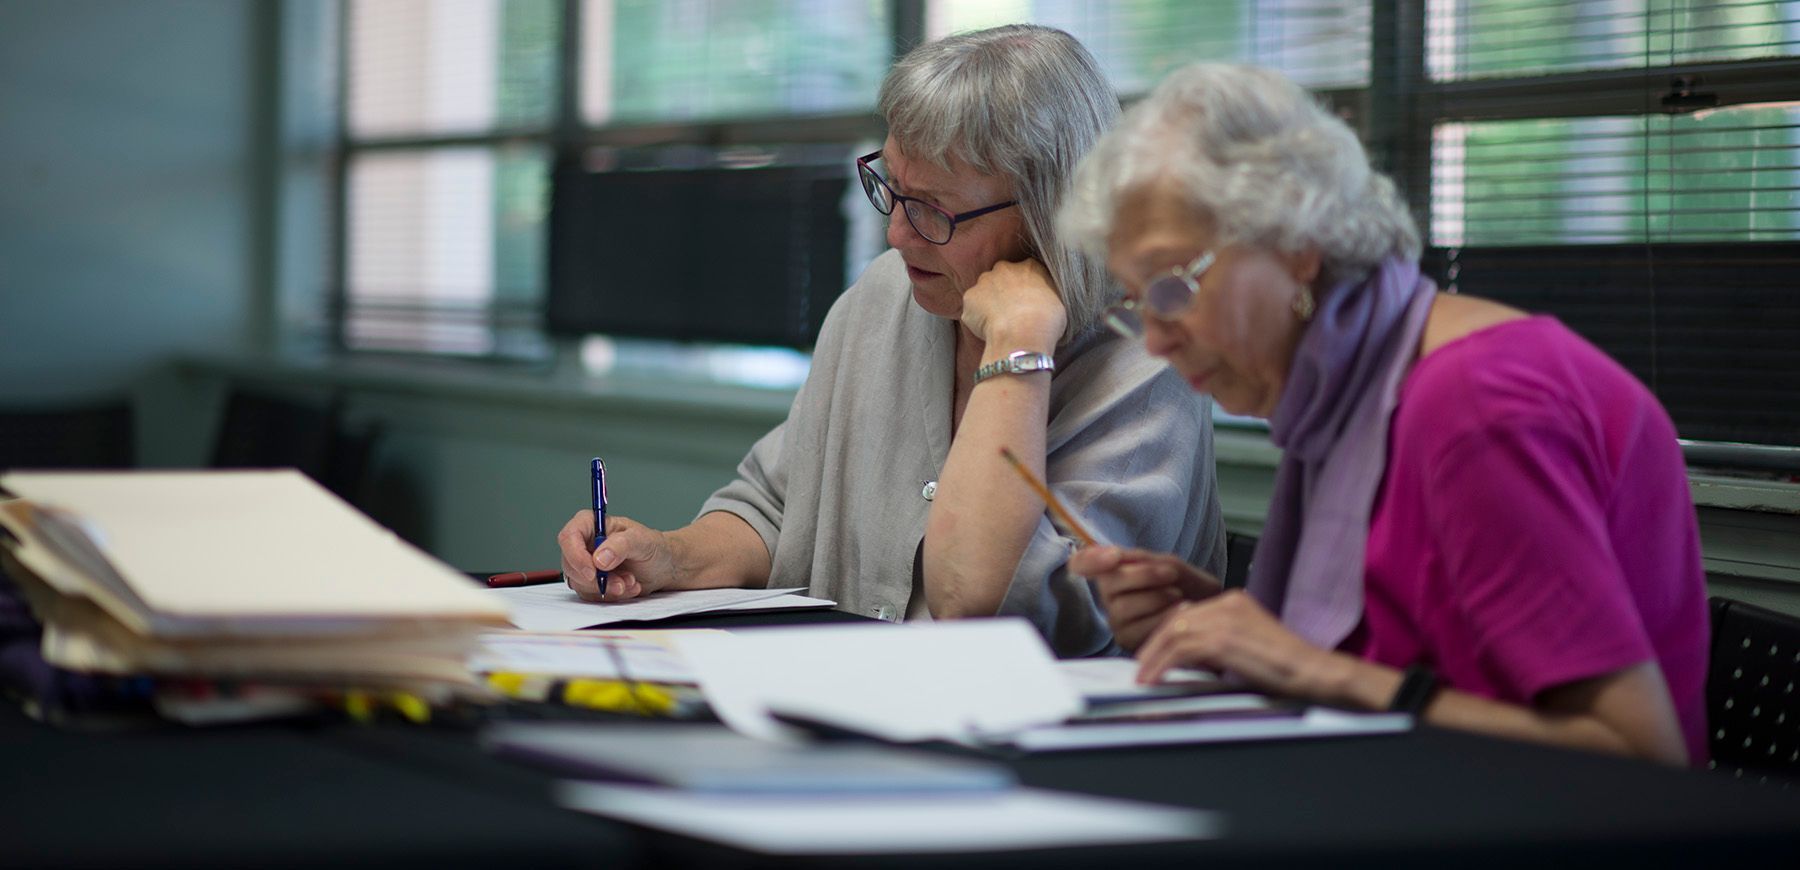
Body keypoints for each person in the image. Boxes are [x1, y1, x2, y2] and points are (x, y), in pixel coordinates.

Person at [1058, 63, 1708, 762]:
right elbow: (1408, 651)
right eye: (1135, 304)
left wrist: (1309, 669)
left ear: (1297, 246)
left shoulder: (1477, 404)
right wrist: (1218, 631)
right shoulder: (1350, 386)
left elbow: (1641, 753)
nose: (1156, 341)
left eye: (1171, 287)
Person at [557, 25, 1226, 657]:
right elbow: (774, 510)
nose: (897, 235)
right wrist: (670, 557)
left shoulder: (1144, 360)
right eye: (893, 189)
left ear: (1052, 214)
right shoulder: (887, 296)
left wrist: (1017, 342)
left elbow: (993, 604)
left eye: (933, 209)